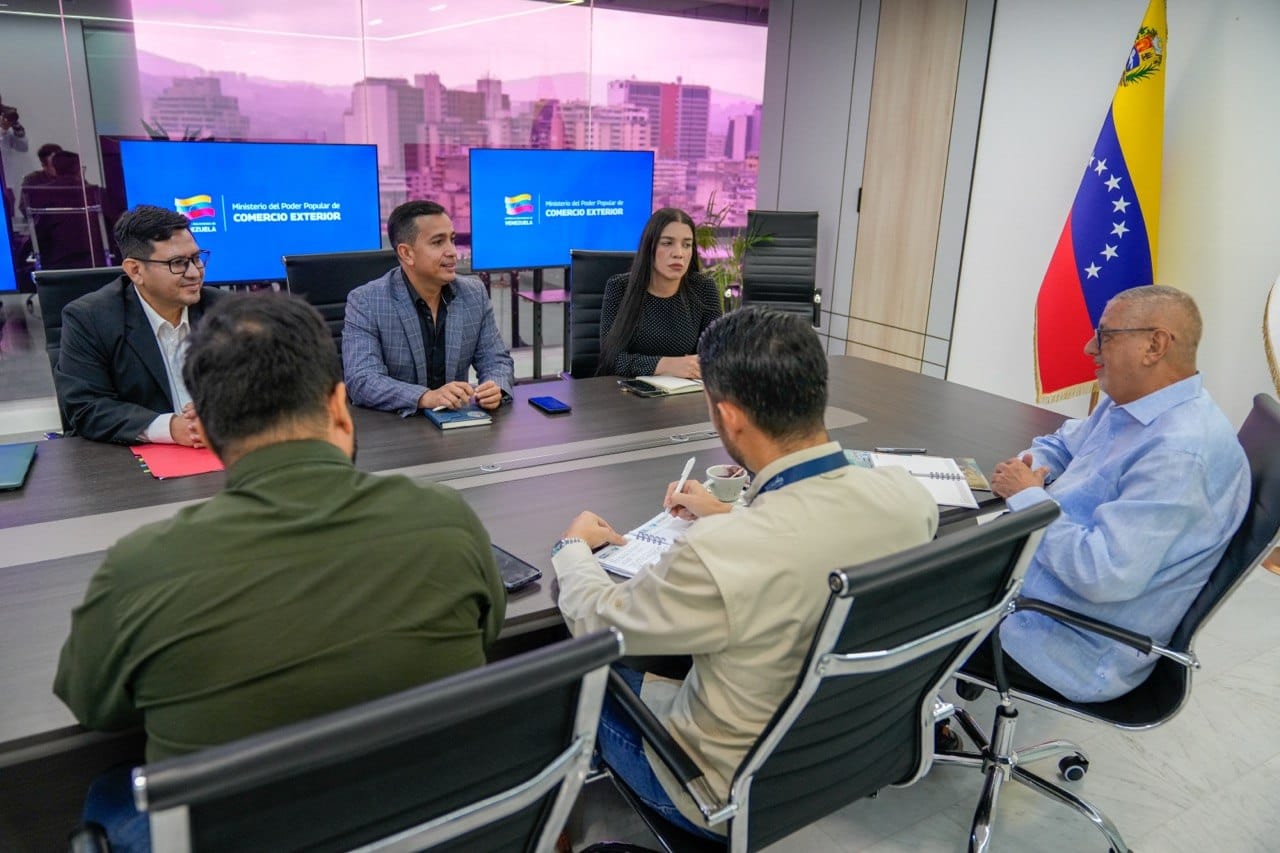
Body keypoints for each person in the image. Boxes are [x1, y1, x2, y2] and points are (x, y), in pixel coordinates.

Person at [54, 293, 506, 851]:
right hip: (431, 821)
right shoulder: (447, 518)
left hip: (243, 833)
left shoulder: (140, 567)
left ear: (211, 434)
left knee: (105, 787)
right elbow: (489, 632)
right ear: (339, 407)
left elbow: (94, 705)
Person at [553, 306, 938, 837]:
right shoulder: (909, 499)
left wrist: (572, 546)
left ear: (728, 416)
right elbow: (811, 531)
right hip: (851, 753)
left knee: (566, 676)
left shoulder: (723, 552)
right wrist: (733, 512)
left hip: (722, 791)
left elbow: (599, 622)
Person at [978, 285, 1249, 703]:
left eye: (1105, 335)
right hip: (1035, 587)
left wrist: (1031, 499)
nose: (1090, 347)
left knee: (890, 610)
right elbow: (1064, 445)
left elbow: (1103, 574)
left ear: (1154, 345)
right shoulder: (1133, 399)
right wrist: (1026, 468)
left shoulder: (1178, 453)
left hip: (1067, 641)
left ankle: (897, 737)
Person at [52, 204, 225, 444]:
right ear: (135, 270)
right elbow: (86, 408)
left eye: (196, 258)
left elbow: (272, 383)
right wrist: (173, 428)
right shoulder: (90, 318)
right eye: (177, 263)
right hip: (136, 464)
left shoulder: (226, 310)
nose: (195, 273)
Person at [343, 199, 514, 416]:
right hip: (396, 431)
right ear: (406, 253)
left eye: (452, 240)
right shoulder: (366, 301)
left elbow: (496, 359)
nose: (452, 251)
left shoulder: (473, 293)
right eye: (437, 242)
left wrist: (494, 386)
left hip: (457, 426)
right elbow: (362, 379)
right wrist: (425, 397)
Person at [596, 207, 722, 379]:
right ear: (650, 247)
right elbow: (611, 359)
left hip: (685, 394)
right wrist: (666, 364)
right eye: (667, 243)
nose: (678, 254)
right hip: (628, 396)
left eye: (687, 245)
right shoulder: (620, 288)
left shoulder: (703, 288)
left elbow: (716, 354)